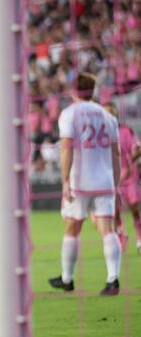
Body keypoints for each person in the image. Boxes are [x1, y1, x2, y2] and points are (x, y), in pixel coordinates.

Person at [48, 72, 122, 296]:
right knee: (107, 229)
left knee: (72, 227)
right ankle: (113, 279)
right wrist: (116, 185)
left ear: (74, 91)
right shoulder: (107, 116)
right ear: (94, 90)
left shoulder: (69, 114)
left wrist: (65, 181)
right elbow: (116, 154)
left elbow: (66, 148)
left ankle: (68, 279)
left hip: (80, 180)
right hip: (105, 181)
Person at [105, 103, 141, 254]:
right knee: (114, 212)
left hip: (129, 178)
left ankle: (139, 238)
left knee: (134, 209)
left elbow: (138, 149)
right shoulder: (102, 135)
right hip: (112, 179)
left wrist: (129, 161)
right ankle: (121, 235)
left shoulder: (126, 131)